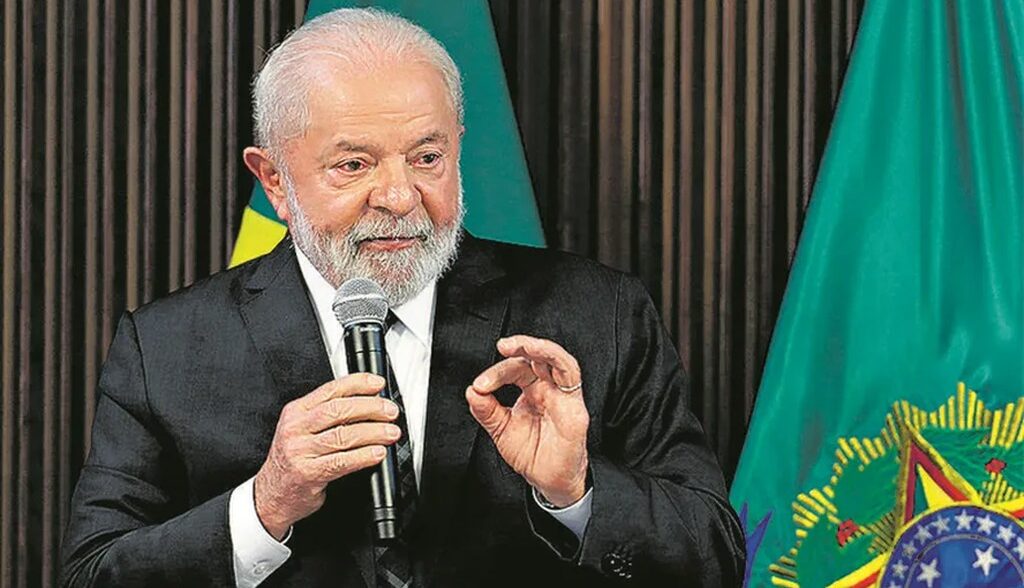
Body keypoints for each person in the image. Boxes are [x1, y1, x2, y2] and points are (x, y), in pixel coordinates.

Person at [61, 8, 745, 587]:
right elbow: (91, 574)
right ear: (273, 180)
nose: (398, 197)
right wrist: (264, 507)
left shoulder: (599, 312)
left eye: (426, 158)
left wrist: (578, 492)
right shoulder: (164, 348)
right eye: (353, 164)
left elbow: (717, 557)